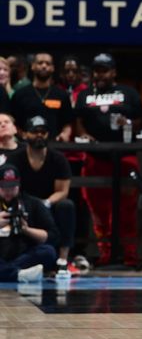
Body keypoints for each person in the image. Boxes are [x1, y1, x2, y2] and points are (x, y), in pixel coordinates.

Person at [75, 53, 142, 265]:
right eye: (97, 70)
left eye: (104, 70)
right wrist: (84, 133)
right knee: (99, 210)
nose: (100, 74)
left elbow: (141, 120)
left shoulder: (129, 93)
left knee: (127, 210)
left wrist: (129, 123)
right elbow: (78, 120)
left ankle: (130, 254)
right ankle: (105, 253)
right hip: (96, 158)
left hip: (125, 157)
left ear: (114, 72)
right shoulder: (85, 95)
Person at [9, 116, 74, 277]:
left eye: (43, 132)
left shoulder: (58, 158)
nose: (39, 135)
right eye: (34, 132)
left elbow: (63, 190)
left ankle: (63, 260)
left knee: (67, 205)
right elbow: (9, 189)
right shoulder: (15, 158)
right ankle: (15, 265)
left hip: (48, 203)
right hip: (22, 203)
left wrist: (45, 203)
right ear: (24, 134)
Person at [0, 163, 58, 283]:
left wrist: (27, 229)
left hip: (24, 254)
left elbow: (52, 235)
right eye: (4, 187)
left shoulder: (33, 203)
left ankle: (7, 271)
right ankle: (18, 274)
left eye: (12, 187)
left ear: (19, 185)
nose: (8, 191)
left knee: (48, 251)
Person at [10, 52, 74, 141]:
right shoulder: (20, 94)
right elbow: (13, 121)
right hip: (26, 146)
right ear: (32, 66)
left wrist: (64, 134)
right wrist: (22, 135)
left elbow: (67, 123)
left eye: (48, 63)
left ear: (53, 68)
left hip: (55, 145)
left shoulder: (62, 95)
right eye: (40, 63)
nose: (44, 66)